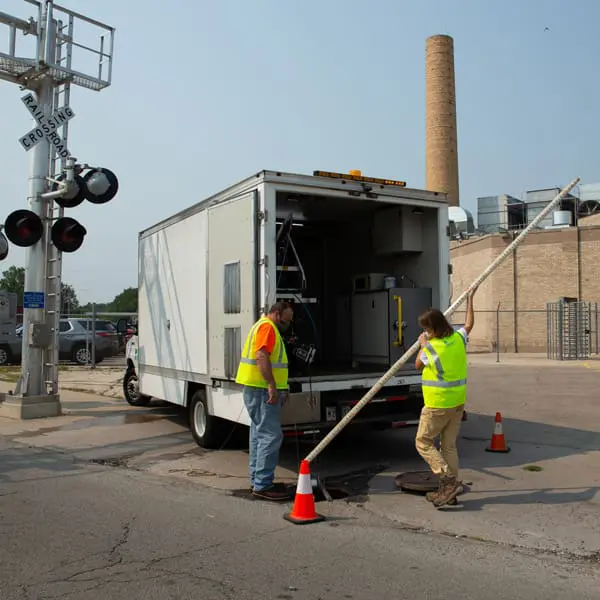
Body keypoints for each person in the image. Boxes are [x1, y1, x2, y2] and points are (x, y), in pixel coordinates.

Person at [414, 287, 477, 508]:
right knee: (448, 446)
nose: (425, 331)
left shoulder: (432, 347)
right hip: (457, 403)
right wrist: (470, 299)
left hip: (437, 404)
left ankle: (447, 481)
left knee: (423, 442)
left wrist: (423, 344)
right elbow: (468, 325)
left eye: (426, 328)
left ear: (432, 328)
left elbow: (417, 365)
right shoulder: (457, 339)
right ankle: (449, 488)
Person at [235, 301, 294, 501]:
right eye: (286, 319)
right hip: (261, 390)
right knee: (271, 436)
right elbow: (261, 356)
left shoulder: (261, 326)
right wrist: (272, 385)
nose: (288, 323)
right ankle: (263, 484)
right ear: (277, 314)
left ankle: (258, 480)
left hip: (256, 389)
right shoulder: (268, 327)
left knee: (258, 435)